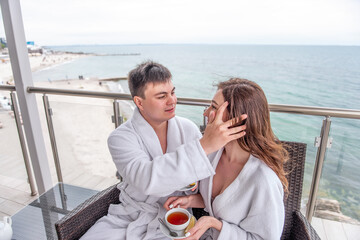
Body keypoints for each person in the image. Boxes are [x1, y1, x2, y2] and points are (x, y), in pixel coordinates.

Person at [80, 62, 246, 240]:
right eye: (161, 96)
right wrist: (204, 146)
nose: (172, 101)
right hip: (130, 217)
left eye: (172, 92)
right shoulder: (120, 138)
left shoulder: (188, 129)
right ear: (139, 102)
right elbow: (147, 180)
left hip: (178, 220)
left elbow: (209, 182)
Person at [164, 78, 288, 240]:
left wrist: (216, 224)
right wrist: (189, 201)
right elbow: (219, 202)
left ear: (237, 119)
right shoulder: (215, 154)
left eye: (214, 107)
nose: (206, 113)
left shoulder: (263, 180)